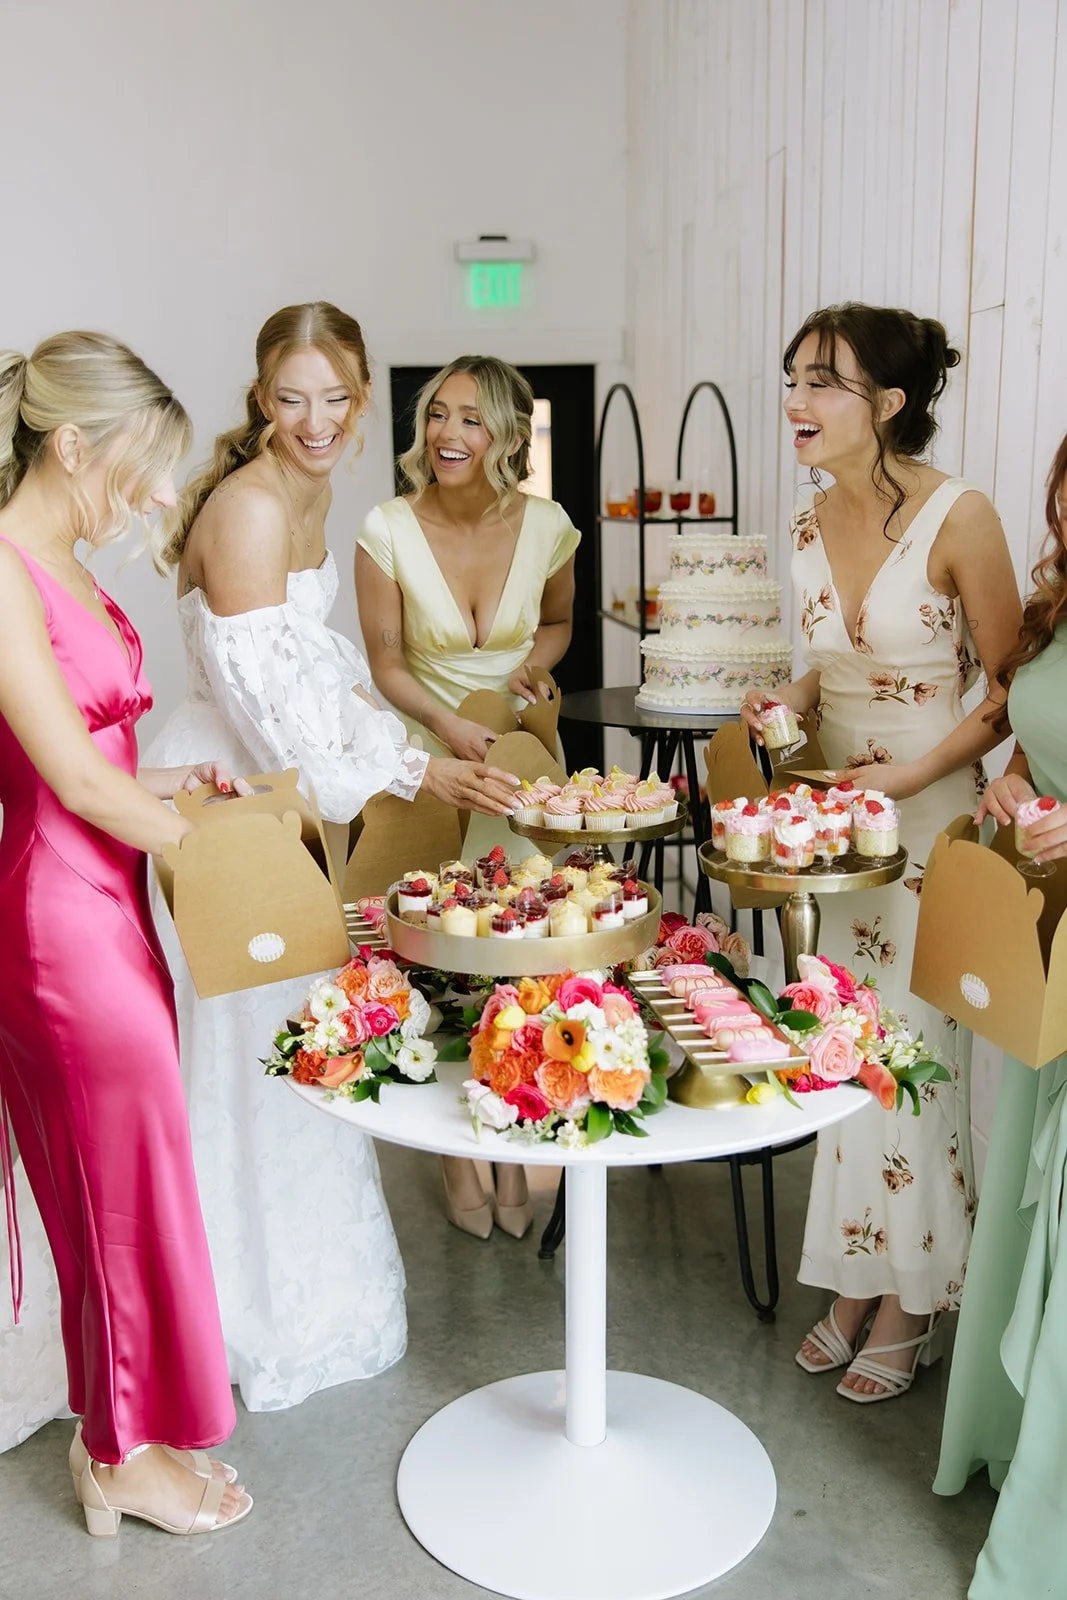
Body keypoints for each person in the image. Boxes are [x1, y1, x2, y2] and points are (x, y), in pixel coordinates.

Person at [144, 305, 519, 1411]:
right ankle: (222, 1317)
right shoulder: (252, 512)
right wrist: (418, 777)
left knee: (291, 1054)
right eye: (291, 396)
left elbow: (336, 685)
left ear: (362, 402)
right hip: (227, 814)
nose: (315, 419)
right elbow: (281, 736)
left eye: (335, 397)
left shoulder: (311, 498)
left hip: (280, 812)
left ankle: (281, 1297)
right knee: (249, 1065)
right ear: (264, 397)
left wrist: (422, 746)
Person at [743, 302, 1021, 1400]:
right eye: (792, 378)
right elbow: (820, 665)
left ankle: (913, 1296)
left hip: (927, 816)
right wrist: (786, 699)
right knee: (833, 1044)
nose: (795, 402)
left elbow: (1008, 690)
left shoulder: (961, 517)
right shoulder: (805, 526)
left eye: (823, 382)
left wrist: (908, 777)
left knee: (907, 1058)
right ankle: (855, 1276)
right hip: (828, 823)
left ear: (889, 404)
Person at [0, 331, 251, 1534]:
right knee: (109, 1189)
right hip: (59, 919)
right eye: (142, 467)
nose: (160, 496)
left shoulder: (64, 562)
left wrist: (195, 797)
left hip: (111, 901)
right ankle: (115, 1457)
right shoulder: (3, 568)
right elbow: (75, 784)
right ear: (69, 443)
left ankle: (136, 1431)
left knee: (135, 1176)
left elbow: (114, 760)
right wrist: (223, 855)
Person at [356, 355, 580, 1241]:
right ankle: (457, 1153)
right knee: (435, 956)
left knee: (522, 952)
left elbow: (559, 621)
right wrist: (448, 729)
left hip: (518, 756)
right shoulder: (385, 526)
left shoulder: (550, 524)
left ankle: (512, 1130)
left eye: (471, 420)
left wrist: (530, 671)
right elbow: (384, 662)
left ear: (509, 436)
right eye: (438, 415)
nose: (448, 435)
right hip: (424, 754)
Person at [933, 431, 1067, 1596]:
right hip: (1046, 944)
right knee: (1026, 1185)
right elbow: (1028, 739)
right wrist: (1011, 783)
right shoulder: (1051, 610)